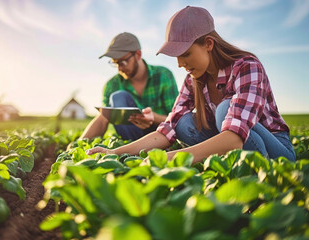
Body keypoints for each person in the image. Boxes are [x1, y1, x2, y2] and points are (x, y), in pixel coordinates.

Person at [86, 6, 296, 163]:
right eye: (176, 56)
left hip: (276, 151)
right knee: (183, 123)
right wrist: (113, 153)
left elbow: (233, 138)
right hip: (229, 143)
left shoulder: (247, 67)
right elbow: (165, 131)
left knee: (225, 108)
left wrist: (167, 160)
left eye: (185, 54)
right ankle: (218, 159)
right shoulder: (193, 79)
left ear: (208, 44)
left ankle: (251, 167)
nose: (180, 64)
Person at [74, 32, 178, 144]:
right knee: (118, 97)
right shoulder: (111, 85)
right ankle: (134, 149)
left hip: (161, 136)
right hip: (132, 138)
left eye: (123, 62)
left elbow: (177, 119)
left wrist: (152, 117)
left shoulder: (163, 75)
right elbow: (103, 118)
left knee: (119, 97)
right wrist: (78, 145)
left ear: (138, 54)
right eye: (115, 63)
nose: (120, 68)